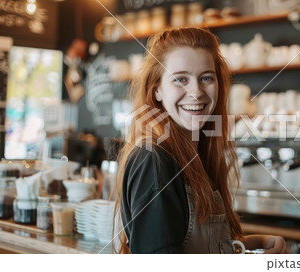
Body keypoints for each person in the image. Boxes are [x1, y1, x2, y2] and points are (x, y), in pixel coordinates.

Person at [114, 27, 289, 254]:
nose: (196, 91)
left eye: (206, 78)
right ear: (157, 89)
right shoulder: (154, 160)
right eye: (180, 79)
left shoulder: (198, 151)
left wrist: (254, 243)